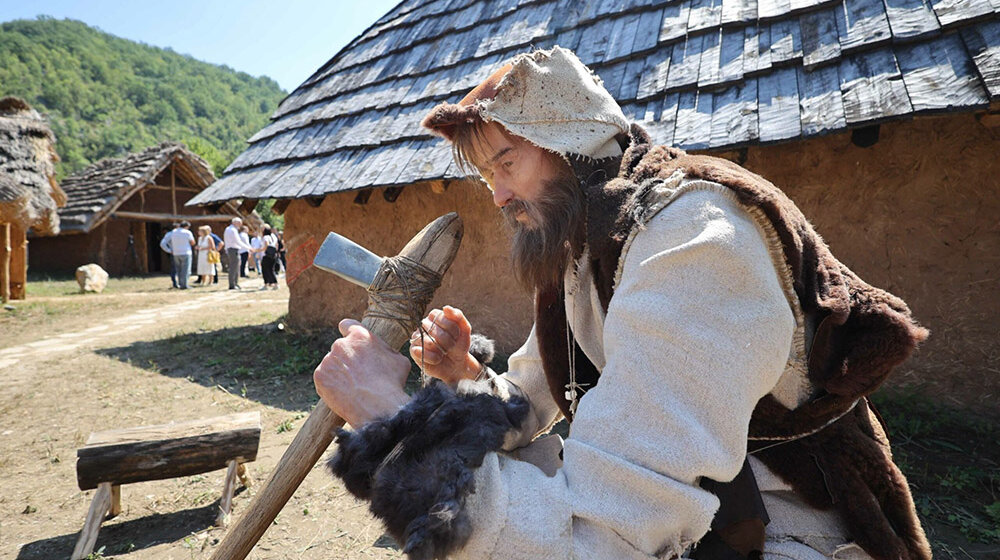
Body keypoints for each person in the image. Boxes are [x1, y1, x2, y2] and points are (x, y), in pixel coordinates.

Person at [312, 48, 933, 560]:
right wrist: (467, 377)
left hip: (788, 532)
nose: (497, 196)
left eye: (506, 162)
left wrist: (386, 414)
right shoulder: (586, 253)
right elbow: (532, 400)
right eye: (485, 176)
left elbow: (598, 539)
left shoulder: (693, 243)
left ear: (570, 137)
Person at [223, 217, 253, 290]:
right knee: (234, 267)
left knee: (235, 267)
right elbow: (238, 241)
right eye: (239, 223)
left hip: (231, 249)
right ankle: (233, 284)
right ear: (235, 223)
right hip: (233, 249)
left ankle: (235, 283)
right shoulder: (233, 230)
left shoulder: (228, 229)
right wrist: (249, 248)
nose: (240, 225)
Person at [166, 220, 195, 290]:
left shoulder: (173, 232)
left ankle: (180, 283)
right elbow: (192, 242)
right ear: (186, 226)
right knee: (185, 269)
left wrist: (169, 250)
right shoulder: (187, 232)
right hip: (185, 252)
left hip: (176, 253)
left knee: (178, 269)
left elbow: (166, 241)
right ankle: (184, 285)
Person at [158, 222, 180, 288]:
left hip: (181, 252)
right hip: (175, 253)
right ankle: (175, 283)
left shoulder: (182, 234)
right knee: (175, 269)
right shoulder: (170, 234)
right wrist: (169, 251)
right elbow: (162, 244)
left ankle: (181, 282)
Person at [259, 225, 279, 290]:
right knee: (271, 269)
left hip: (266, 255)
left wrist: (258, 250)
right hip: (273, 254)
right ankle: (275, 283)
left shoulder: (265, 237)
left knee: (265, 270)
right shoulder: (273, 236)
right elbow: (276, 245)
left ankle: (266, 284)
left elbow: (266, 245)